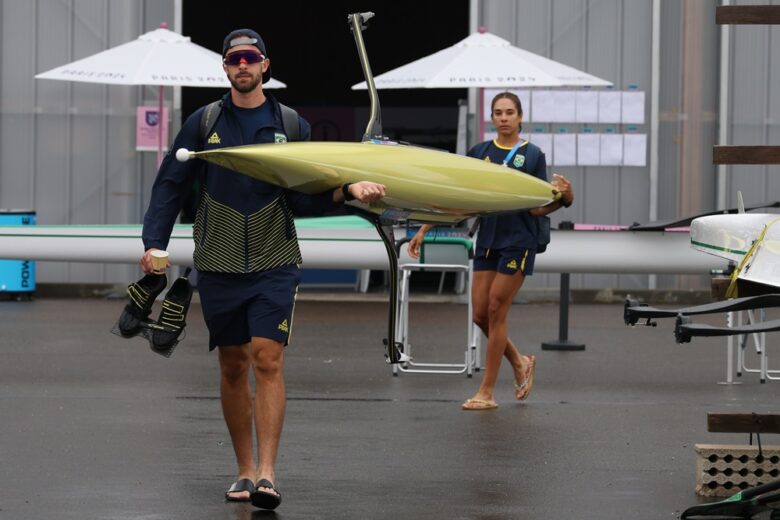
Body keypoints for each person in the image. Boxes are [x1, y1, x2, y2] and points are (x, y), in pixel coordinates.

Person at [139, 29, 386, 509]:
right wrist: (154, 243)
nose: (243, 65)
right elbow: (171, 184)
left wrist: (348, 192)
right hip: (218, 260)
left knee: (268, 358)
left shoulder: (291, 125)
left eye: (251, 57)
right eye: (234, 59)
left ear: (266, 66)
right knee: (232, 365)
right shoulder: (203, 122)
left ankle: (269, 475)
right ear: (225, 67)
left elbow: (305, 193)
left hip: (275, 259)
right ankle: (245, 471)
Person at [408, 91, 573, 411]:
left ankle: (486, 391)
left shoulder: (532, 154)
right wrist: (426, 227)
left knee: (497, 308)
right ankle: (520, 361)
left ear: (520, 117)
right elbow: (462, 199)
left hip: (519, 241)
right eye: (498, 112)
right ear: (492, 118)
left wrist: (567, 197)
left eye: (510, 112)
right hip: (488, 240)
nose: (504, 118)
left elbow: (539, 207)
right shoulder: (479, 152)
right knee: (480, 314)